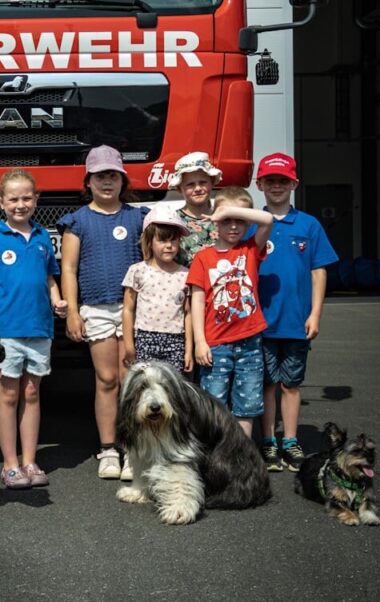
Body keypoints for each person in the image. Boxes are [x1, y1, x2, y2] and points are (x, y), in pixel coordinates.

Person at [0, 169, 68, 489]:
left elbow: (50, 278)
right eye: (13, 199)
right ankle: (10, 463)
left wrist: (58, 301)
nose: (20, 204)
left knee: (32, 392)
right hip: (6, 331)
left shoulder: (43, 236)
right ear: (1, 202)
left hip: (39, 328)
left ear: (36, 200)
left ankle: (29, 460)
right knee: (8, 394)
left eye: (27, 198)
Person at [58, 145, 146, 481]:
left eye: (113, 175)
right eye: (100, 176)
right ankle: (108, 448)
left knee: (130, 381)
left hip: (132, 310)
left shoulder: (138, 217)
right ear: (89, 181)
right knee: (106, 379)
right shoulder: (77, 221)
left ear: (122, 180)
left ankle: (133, 449)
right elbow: (68, 268)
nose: (106, 182)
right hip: (95, 307)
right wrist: (72, 313)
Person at [254, 153, 339, 472]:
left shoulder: (309, 225)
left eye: (283, 180)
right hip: (261, 322)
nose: (276, 186)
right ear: (259, 184)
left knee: (291, 383)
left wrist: (315, 313)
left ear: (294, 184)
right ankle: (267, 439)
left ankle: (289, 439)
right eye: (270, 180)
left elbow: (319, 271)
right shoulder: (252, 224)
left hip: (295, 321)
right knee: (266, 383)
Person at [187, 186, 273, 438]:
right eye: (227, 221)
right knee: (214, 405)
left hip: (250, 342)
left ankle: (242, 458)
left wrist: (228, 210)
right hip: (216, 344)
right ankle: (216, 456)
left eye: (240, 221)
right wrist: (200, 343)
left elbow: (267, 220)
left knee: (246, 405)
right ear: (215, 222)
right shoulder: (203, 258)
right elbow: (197, 302)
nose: (233, 226)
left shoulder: (250, 250)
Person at [122, 205, 193, 374]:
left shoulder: (186, 274)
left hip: (176, 340)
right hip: (145, 338)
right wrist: (129, 346)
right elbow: (127, 309)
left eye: (173, 240)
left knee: (173, 389)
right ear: (149, 242)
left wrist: (188, 349)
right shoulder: (137, 270)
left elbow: (188, 313)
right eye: (162, 240)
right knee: (148, 388)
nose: (169, 246)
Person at [166, 151, 223, 267]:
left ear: (212, 183)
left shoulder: (224, 218)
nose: (197, 188)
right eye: (190, 185)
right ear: (179, 188)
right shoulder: (172, 221)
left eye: (203, 182)